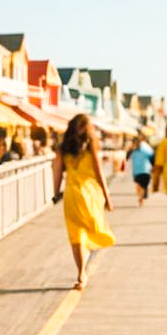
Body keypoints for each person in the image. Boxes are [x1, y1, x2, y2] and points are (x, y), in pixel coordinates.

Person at [53, 113, 115, 290]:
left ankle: (81, 274)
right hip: (90, 194)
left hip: (71, 195)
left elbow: (57, 173)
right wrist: (107, 196)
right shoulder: (91, 146)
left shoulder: (63, 148)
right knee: (91, 230)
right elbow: (99, 172)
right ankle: (84, 264)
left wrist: (55, 193)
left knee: (75, 234)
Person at [126, 136, 155, 205]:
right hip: (146, 170)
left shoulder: (132, 149)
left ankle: (140, 196)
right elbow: (152, 156)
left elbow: (127, 157)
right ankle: (144, 191)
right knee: (144, 184)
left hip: (137, 171)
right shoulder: (147, 148)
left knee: (138, 185)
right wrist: (153, 166)